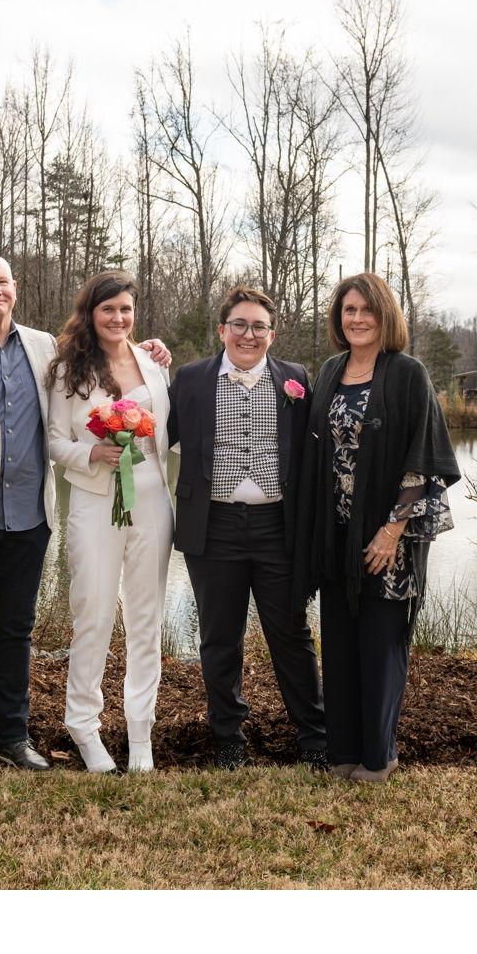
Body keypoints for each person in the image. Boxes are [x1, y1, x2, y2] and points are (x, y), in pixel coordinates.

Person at [0, 253, 170, 779]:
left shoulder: (42, 346)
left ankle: (12, 737)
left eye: (2, 281)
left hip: (30, 517)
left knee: (16, 631)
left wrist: (156, 349)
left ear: (16, 288)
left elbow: (131, 392)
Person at [297, 273, 460, 783]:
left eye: (367, 310)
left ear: (385, 315)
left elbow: (423, 458)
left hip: (389, 538)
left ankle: (378, 757)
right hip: (337, 538)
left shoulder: (407, 374)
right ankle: (343, 751)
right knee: (340, 646)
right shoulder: (330, 371)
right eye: (349, 310)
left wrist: (393, 530)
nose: (357, 319)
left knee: (381, 647)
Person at [167, 285, 328, 769]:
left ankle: (315, 738)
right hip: (212, 526)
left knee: (292, 634)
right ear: (223, 330)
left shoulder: (295, 378)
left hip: (278, 527)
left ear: (272, 335)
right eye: (239, 324)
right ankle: (228, 738)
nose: (249, 334)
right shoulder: (191, 379)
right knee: (219, 638)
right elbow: (158, 434)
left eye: (259, 327)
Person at [46, 272, 174, 774]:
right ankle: (84, 725)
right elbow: (54, 441)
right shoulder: (68, 370)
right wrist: (91, 453)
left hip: (152, 501)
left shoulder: (153, 362)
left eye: (125, 309)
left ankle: (140, 729)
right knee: (94, 614)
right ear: (90, 313)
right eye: (108, 309)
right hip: (96, 502)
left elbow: (169, 431)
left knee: (146, 619)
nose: (118, 318)